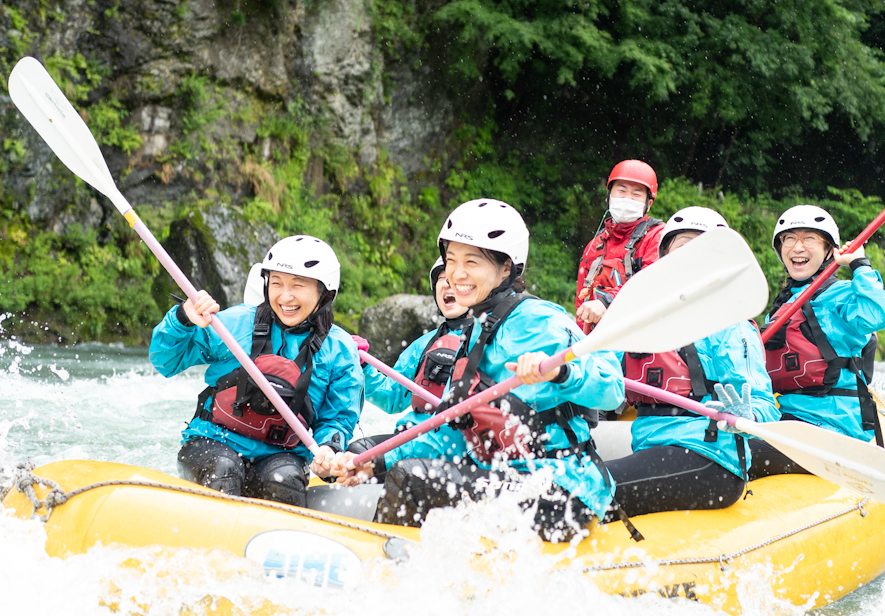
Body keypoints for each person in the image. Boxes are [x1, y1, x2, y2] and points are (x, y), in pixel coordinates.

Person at [313, 199, 625, 540]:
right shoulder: (475, 330)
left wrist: (561, 373)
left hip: (562, 486)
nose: (456, 274)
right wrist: (376, 462)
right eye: (451, 262)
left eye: (471, 262)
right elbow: (452, 430)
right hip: (503, 475)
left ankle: (385, 565)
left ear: (506, 268)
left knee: (413, 479)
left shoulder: (540, 320)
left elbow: (612, 389)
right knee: (404, 471)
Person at [149, 235, 363, 506]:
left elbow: (337, 419)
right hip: (212, 441)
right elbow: (165, 362)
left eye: (298, 285)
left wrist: (329, 449)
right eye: (276, 283)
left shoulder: (340, 350)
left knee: (284, 480)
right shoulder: (234, 324)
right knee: (223, 472)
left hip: (281, 455)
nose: (285, 296)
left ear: (326, 293)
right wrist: (182, 319)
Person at [604, 207, 781, 517]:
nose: (692, 258)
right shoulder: (642, 319)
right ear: (666, 257)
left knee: (583, 486)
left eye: (704, 250)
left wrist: (747, 415)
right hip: (652, 447)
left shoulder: (730, 323)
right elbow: (600, 382)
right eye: (684, 247)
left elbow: (766, 408)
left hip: (711, 460)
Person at [750, 205, 885, 476]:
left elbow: (879, 313)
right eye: (790, 238)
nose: (798, 247)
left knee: (737, 454)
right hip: (790, 421)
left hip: (833, 429)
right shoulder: (782, 306)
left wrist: (859, 264)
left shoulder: (838, 295)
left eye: (809, 239)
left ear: (830, 250)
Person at [351, 258, 473, 458]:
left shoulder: (490, 342)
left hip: (456, 448)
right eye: (443, 278)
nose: (448, 283)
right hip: (411, 438)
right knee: (357, 452)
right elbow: (392, 398)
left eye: (455, 279)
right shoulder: (422, 345)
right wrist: (364, 367)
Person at [573, 160, 664, 331]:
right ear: (608, 197)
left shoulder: (657, 237)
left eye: (636, 194)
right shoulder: (595, 244)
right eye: (621, 191)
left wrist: (607, 302)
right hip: (598, 344)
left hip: (640, 342)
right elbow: (582, 300)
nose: (628, 198)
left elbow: (654, 283)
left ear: (648, 203)